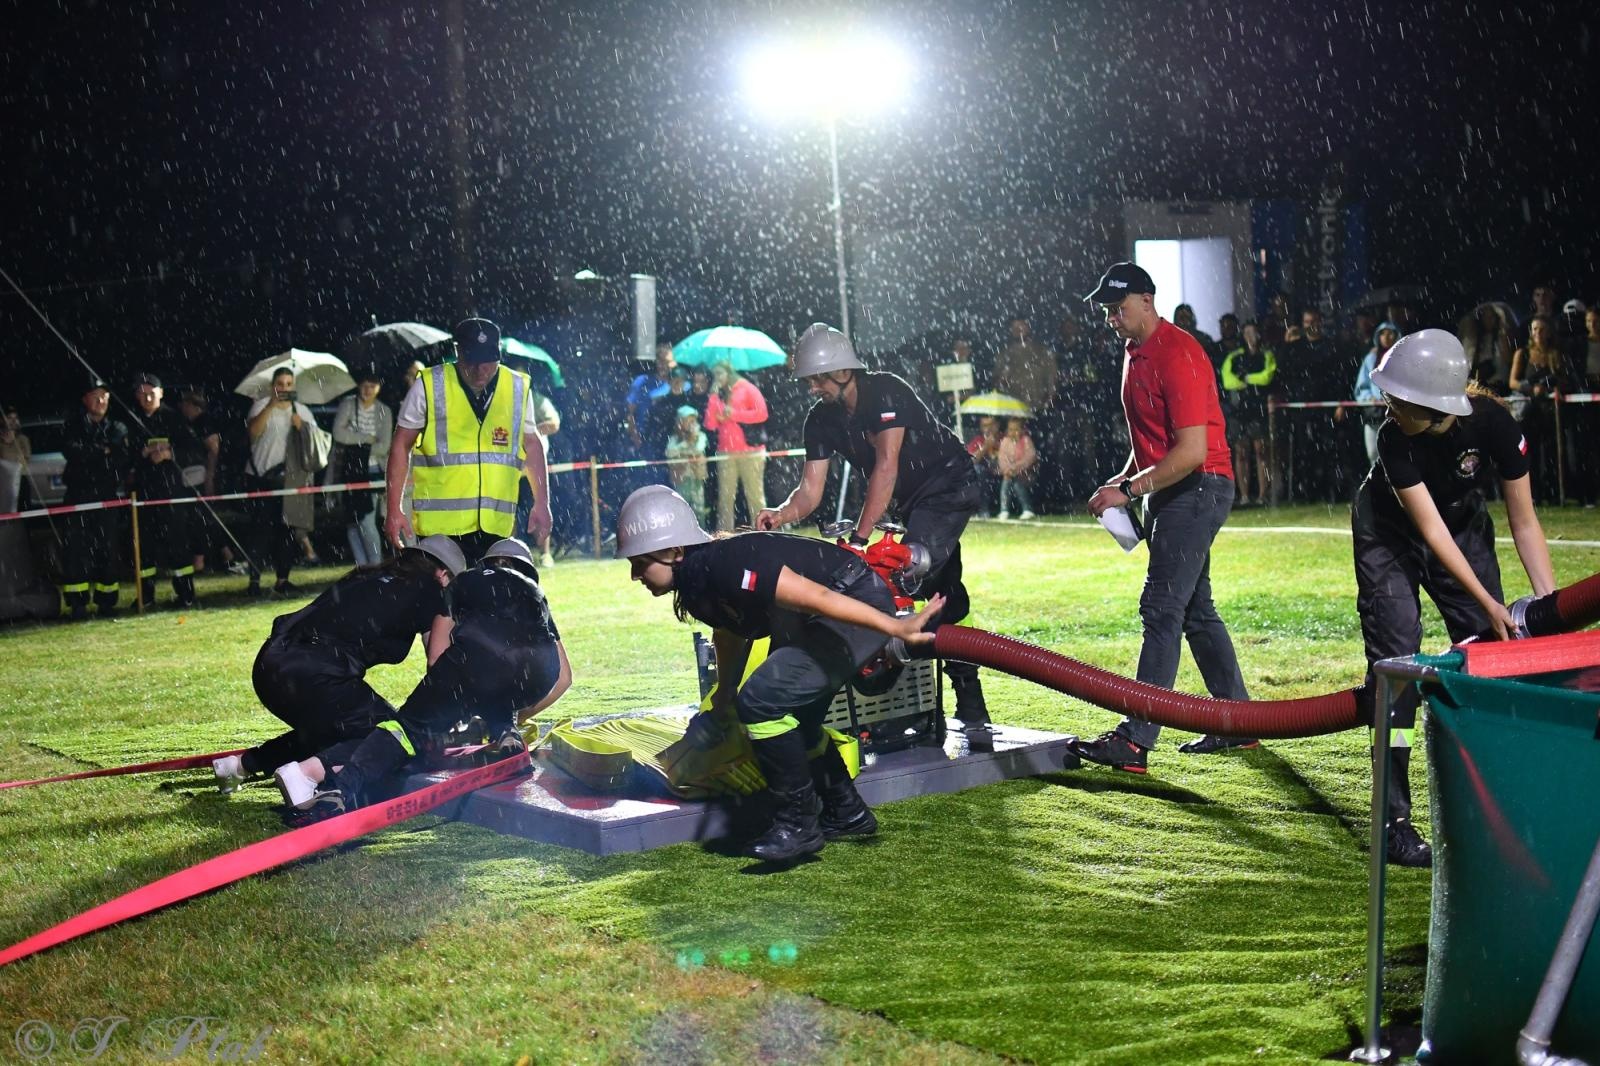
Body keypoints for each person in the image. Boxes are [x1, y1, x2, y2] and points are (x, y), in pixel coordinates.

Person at [619, 485, 941, 863]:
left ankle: (798, 825)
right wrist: (722, 699)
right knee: (797, 720)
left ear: (674, 552)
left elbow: (817, 598)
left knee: (760, 702)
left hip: (850, 602)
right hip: (819, 615)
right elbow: (730, 632)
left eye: (640, 562)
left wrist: (892, 627)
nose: (634, 575)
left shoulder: (724, 564)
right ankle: (846, 811)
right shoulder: (697, 577)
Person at [1354, 329, 1555, 865]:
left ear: (1433, 403)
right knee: (1395, 671)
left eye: (1397, 397)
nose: (1387, 404)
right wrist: (1490, 604)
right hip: (1389, 538)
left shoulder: (1491, 423)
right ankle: (1394, 822)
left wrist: (1550, 602)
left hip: (1463, 528)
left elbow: (1525, 518)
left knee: (1493, 659)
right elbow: (1430, 534)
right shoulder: (1395, 437)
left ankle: (1506, 803)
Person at [757, 323, 992, 731]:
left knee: (901, 570)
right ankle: (954, 704)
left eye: (817, 379)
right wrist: (780, 514)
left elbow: (886, 465)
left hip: (949, 486)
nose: (813, 388)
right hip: (910, 503)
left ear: (843, 372)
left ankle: (891, 690)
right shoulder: (820, 419)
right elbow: (809, 491)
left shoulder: (886, 390)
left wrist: (861, 540)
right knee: (946, 595)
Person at [1072, 262, 1256, 771]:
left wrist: (1129, 488)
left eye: (1118, 307)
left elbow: (1192, 451)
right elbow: (1150, 444)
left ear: (1147, 300)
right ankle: (1238, 723)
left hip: (1198, 488)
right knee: (1196, 610)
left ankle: (1135, 740)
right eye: (1107, 310)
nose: (1111, 317)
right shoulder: (1134, 352)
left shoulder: (1178, 353)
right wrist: (1119, 484)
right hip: (1176, 491)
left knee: (1161, 609)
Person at [274, 537, 572, 816]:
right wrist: (520, 714)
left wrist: (443, 705)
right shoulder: (533, 594)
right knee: (500, 686)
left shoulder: (466, 582)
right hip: (538, 672)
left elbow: (437, 656)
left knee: (404, 730)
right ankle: (506, 729)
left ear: (486, 564)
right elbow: (563, 677)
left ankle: (341, 789)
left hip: (476, 661)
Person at [211, 534, 467, 793]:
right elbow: (437, 659)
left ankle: (240, 766)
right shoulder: (434, 590)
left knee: (332, 729)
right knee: (391, 736)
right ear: (444, 574)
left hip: (271, 663)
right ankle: (304, 775)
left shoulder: (370, 574)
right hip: (313, 672)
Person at [385, 317, 552, 563]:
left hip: (496, 528)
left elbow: (533, 444)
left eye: (489, 361)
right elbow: (400, 444)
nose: (480, 370)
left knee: (490, 599)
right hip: (440, 530)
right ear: (457, 352)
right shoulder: (429, 385)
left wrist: (542, 503)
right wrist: (393, 509)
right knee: (444, 600)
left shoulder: (516, 387)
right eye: (472, 360)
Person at [126, 372, 201, 608]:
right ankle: (146, 596)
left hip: (171, 492)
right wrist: (141, 454)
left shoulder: (175, 419)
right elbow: (124, 457)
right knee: (144, 546)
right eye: (141, 392)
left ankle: (186, 594)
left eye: (151, 392)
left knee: (177, 543)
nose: (147, 396)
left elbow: (194, 451)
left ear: (161, 393)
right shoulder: (131, 421)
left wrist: (171, 454)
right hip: (143, 493)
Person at [244, 366, 320, 596]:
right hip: (261, 478)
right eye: (280, 384)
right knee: (261, 531)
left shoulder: (302, 410)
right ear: (272, 386)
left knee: (287, 532)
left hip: (290, 480)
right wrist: (270, 405)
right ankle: (254, 582)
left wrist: (303, 426)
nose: (284, 388)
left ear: (293, 386)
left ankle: (282, 580)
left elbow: (316, 443)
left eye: (288, 384)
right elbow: (253, 432)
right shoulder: (261, 404)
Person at [59, 375, 130, 620]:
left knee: (107, 550)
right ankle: (77, 604)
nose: (101, 399)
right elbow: (72, 452)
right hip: (77, 496)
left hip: (106, 496)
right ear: (84, 399)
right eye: (95, 395)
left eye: (104, 395)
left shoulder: (118, 427)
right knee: (75, 551)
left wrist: (93, 452)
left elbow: (120, 456)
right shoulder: (72, 426)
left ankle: (107, 602)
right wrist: (103, 451)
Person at [330, 370, 394, 567]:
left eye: (372, 386)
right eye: (364, 385)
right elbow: (338, 434)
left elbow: (384, 446)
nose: (367, 390)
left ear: (379, 388)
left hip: (373, 471)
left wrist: (354, 443)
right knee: (352, 521)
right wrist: (366, 439)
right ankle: (362, 567)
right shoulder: (348, 405)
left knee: (366, 521)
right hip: (348, 471)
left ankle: (375, 566)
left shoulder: (384, 410)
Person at [703, 360, 769, 530]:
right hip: (725, 452)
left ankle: (764, 533)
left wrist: (734, 414)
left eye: (719, 374)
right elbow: (710, 424)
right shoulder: (718, 394)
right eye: (714, 375)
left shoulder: (747, 388)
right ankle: (724, 536)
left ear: (729, 373)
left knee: (755, 496)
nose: (716, 378)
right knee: (725, 498)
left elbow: (762, 413)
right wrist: (712, 397)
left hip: (751, 451)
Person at [1508, 314, 1568, 503]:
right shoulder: (1523, 353)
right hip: (1529, 411)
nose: (1538, 333)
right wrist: (1530, 388)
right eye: (1534, 329)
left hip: (1549, 411)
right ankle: (1534, 493)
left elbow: (1564, 379)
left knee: (1550, 452)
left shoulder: (1555, 353)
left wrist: (1554, 387)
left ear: (1549, 332)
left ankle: (1553, 493)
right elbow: (1513, 382)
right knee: (1529, 452)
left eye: (1542, 329)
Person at [1220, 321, 1278, 506]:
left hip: (1258, 409)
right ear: (1243, 335)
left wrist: (1246, 379)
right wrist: (1251, 381)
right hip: (1239, 411)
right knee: (1241, 451)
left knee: (1261, 450)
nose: (1251, 336)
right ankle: (1244, 496)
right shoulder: (1234, 357)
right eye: (1247, 332)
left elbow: (1267, 376)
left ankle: (1263, 495)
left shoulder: (1266, 354)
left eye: (1254, 332)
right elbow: (1227, 381)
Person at [1353, 321, 1400, 465]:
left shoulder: (1403, 359)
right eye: (1383, 334)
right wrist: (1369, 397)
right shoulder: (1370, 359)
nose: (1386, 337)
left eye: (1390, 333)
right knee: (1373, 453)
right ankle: (1377, 485)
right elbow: (1362, 386)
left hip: (1397, 414)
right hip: (1374, 414)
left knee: (1395, 453)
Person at [665, 404, 710, 524]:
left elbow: (699, 449)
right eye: (687, 420)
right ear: (680, 422)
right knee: (681, 508)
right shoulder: (674, 438)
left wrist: (691, 441)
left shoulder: (701, 436)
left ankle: (701, 534)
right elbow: (670, 452)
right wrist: (685, 444)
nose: (691, 423)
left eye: (693, 420)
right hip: (681, 478)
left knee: (699, 509)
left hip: (696, 477)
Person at [995, 417, 1037, 520]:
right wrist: (1007, 470)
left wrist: (1016, 469)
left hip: (1025, 474)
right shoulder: (1005, 441)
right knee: (1006, 484)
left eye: (1016, 429)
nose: (1013, 432)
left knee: (1018, 485)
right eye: (1010, 429)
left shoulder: (1026, 440)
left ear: (1022, 430)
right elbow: (1002, 458)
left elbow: (1030, 457)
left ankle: (1027, 509)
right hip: (1008, 474)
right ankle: (1004, 510)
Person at [0, 404, 32, 513]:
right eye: (9, 418)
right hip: (4, 483)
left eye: (15, 418)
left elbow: (24, 459)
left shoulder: (22, 439)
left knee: (23, 512)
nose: (13, 421)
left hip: (20, 480)